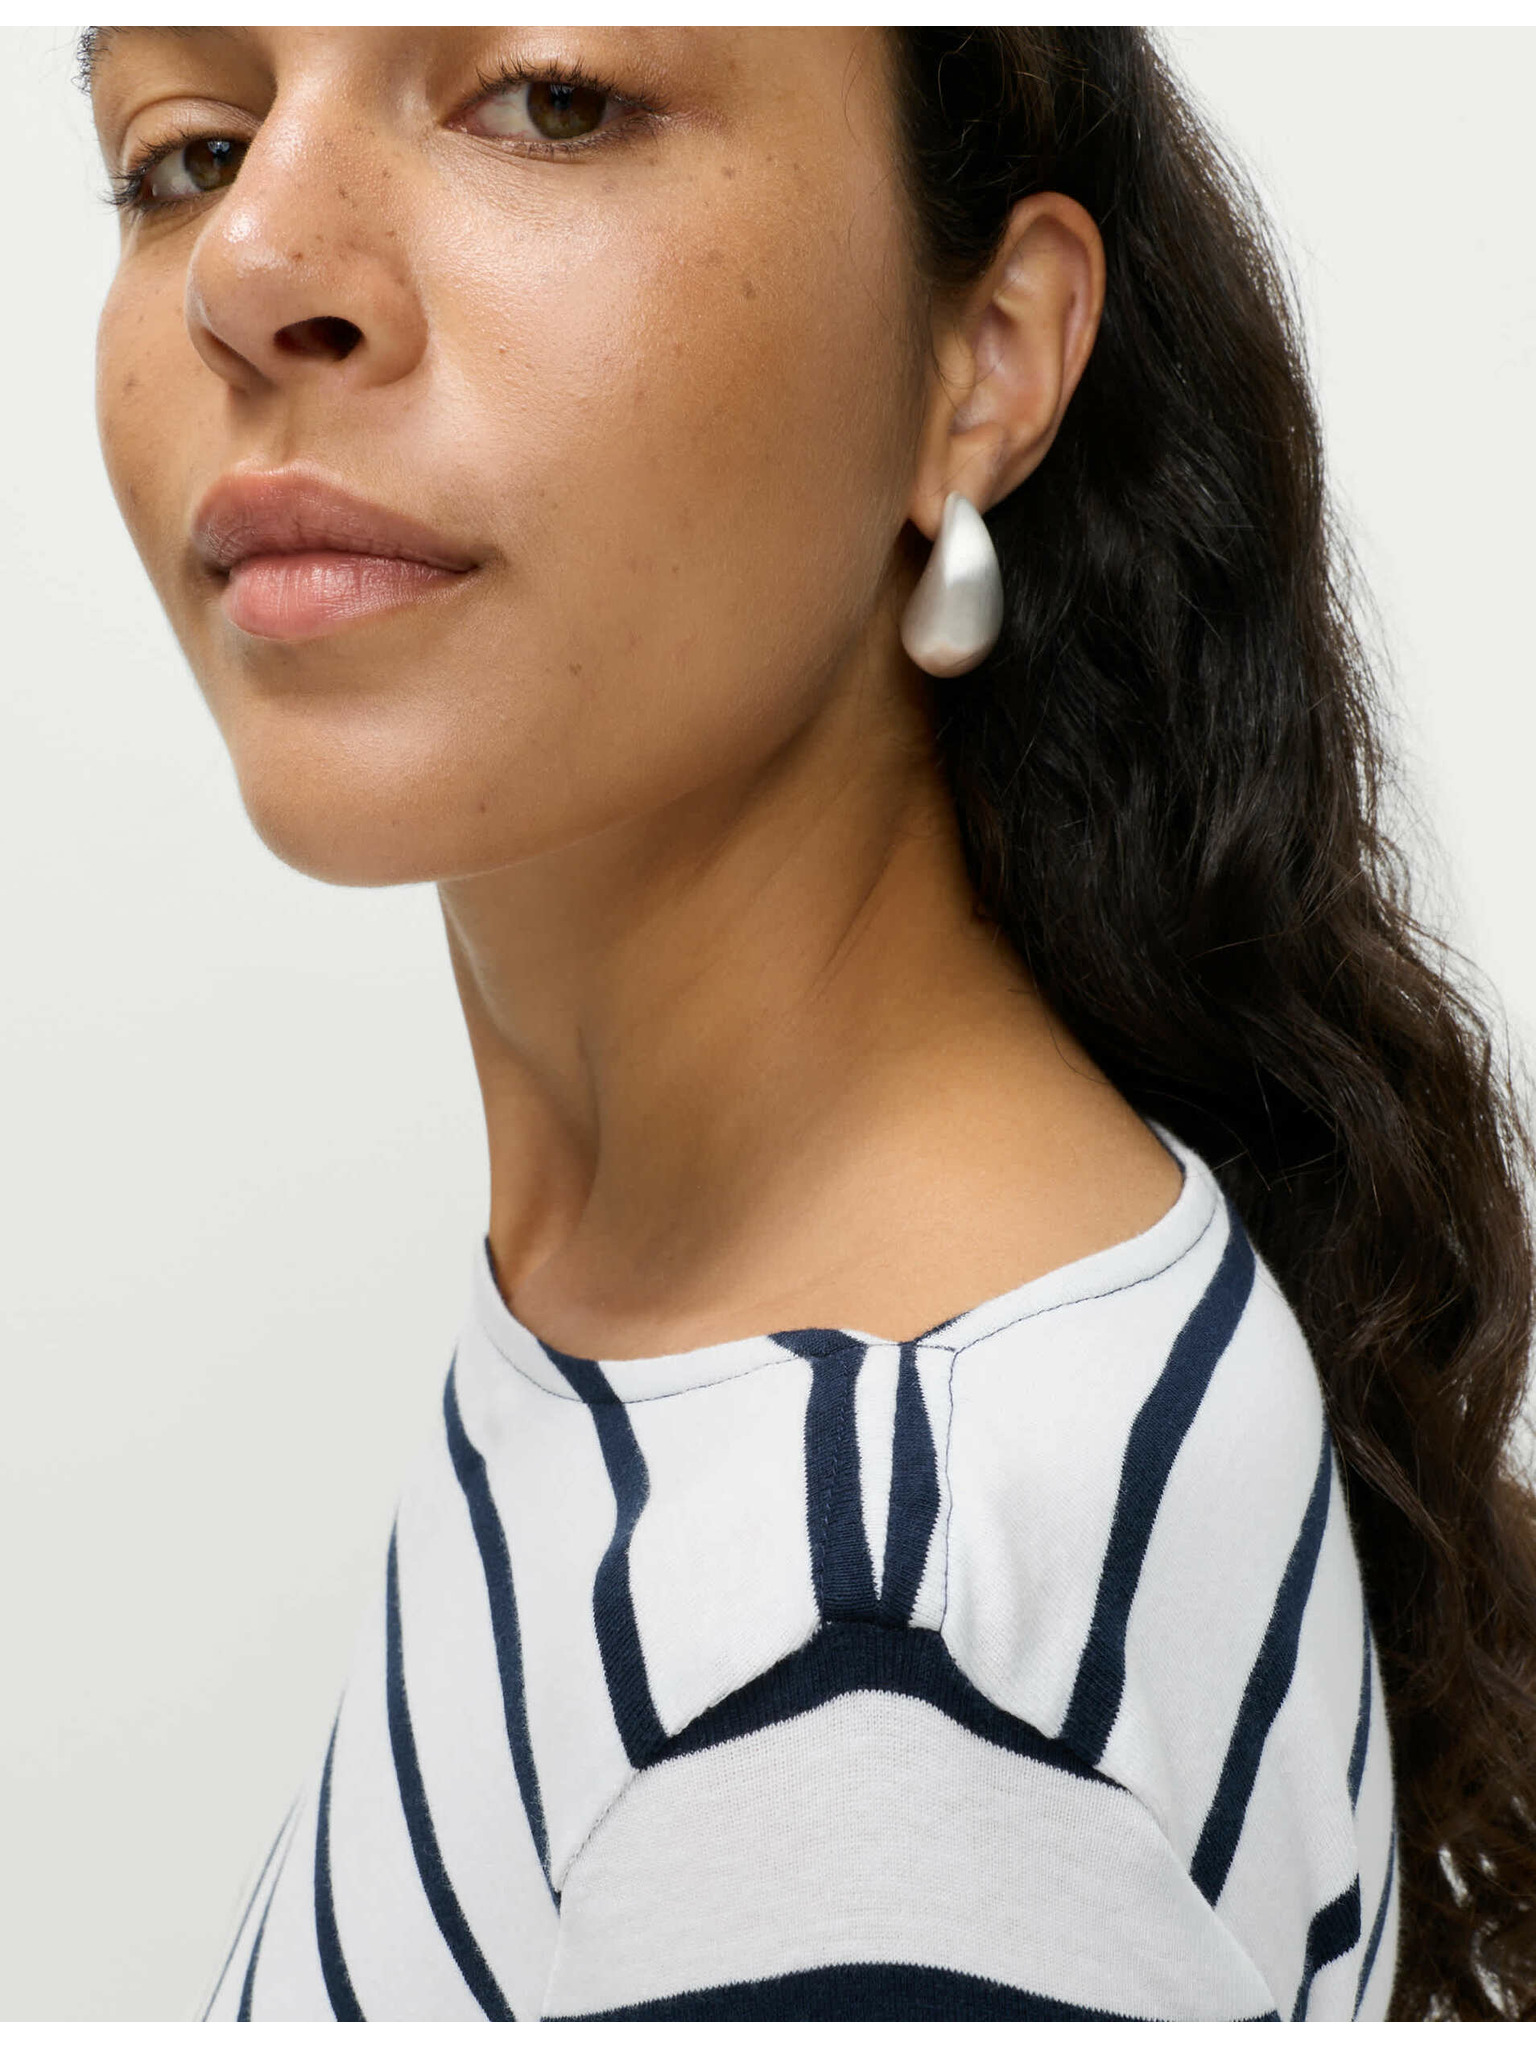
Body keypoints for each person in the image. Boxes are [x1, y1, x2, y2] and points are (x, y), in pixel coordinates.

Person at [81, 24, 1536, 2023]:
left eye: (553, 98)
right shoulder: (733, 1353)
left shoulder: (863, 1684)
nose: (254, 261)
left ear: (985, 361)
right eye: (188, 148)